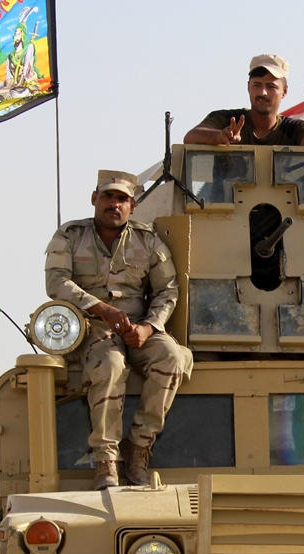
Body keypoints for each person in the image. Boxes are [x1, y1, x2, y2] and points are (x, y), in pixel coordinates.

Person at [45, 170, 193, 490]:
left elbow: (167, 290)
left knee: (172, 358)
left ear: (133, 205)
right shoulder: (69, 235)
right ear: (94, 199)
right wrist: (99, 308)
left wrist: (149, 327)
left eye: (122, 199)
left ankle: (138, 446)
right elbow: (56, 281)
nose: (114, 204)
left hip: (138, 328)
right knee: (110, 366)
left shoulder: (148, 241)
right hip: (91, 326)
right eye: (108, 196)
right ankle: (105, 460)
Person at [184, 54, 304, 147]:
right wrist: (220, 136)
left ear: (284, 92)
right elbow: (190, 137)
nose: (262, 92)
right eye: (257, 85)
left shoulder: (292, 129)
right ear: (248, 87)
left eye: (271, 86)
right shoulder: (229, 120)